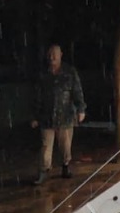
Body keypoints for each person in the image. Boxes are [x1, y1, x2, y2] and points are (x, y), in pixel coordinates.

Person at [31, 44, 85, 184]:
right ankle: (43, 171)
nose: (52, 57)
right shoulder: (43, 75)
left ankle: (65, 166)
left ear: (61, 54)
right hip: (46, 117)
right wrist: (35, 116)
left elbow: (77, 91)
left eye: (55, 54)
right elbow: (37, 97)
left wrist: (81, 109)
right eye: (50, 54)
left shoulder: (70, 72)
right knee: (45, 146)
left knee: (65, 145)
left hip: (65, 116)